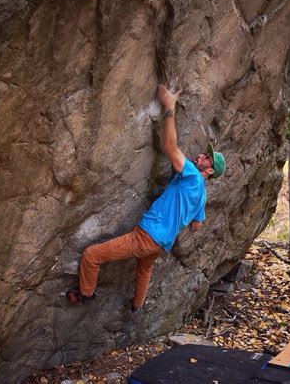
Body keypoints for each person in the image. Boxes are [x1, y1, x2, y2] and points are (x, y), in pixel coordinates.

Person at [67, 84, 226, 311]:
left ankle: (85, 294)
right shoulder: (201, 195)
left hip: (147, 236)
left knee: (92, 255)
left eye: (207, 158)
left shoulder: (191, 174)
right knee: (144, 269)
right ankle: (137, 306)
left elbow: (170, 147)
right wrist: (178, 212)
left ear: (209, 171)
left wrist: (169, 108)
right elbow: (197, 225)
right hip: (162, 244)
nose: (201, 155)